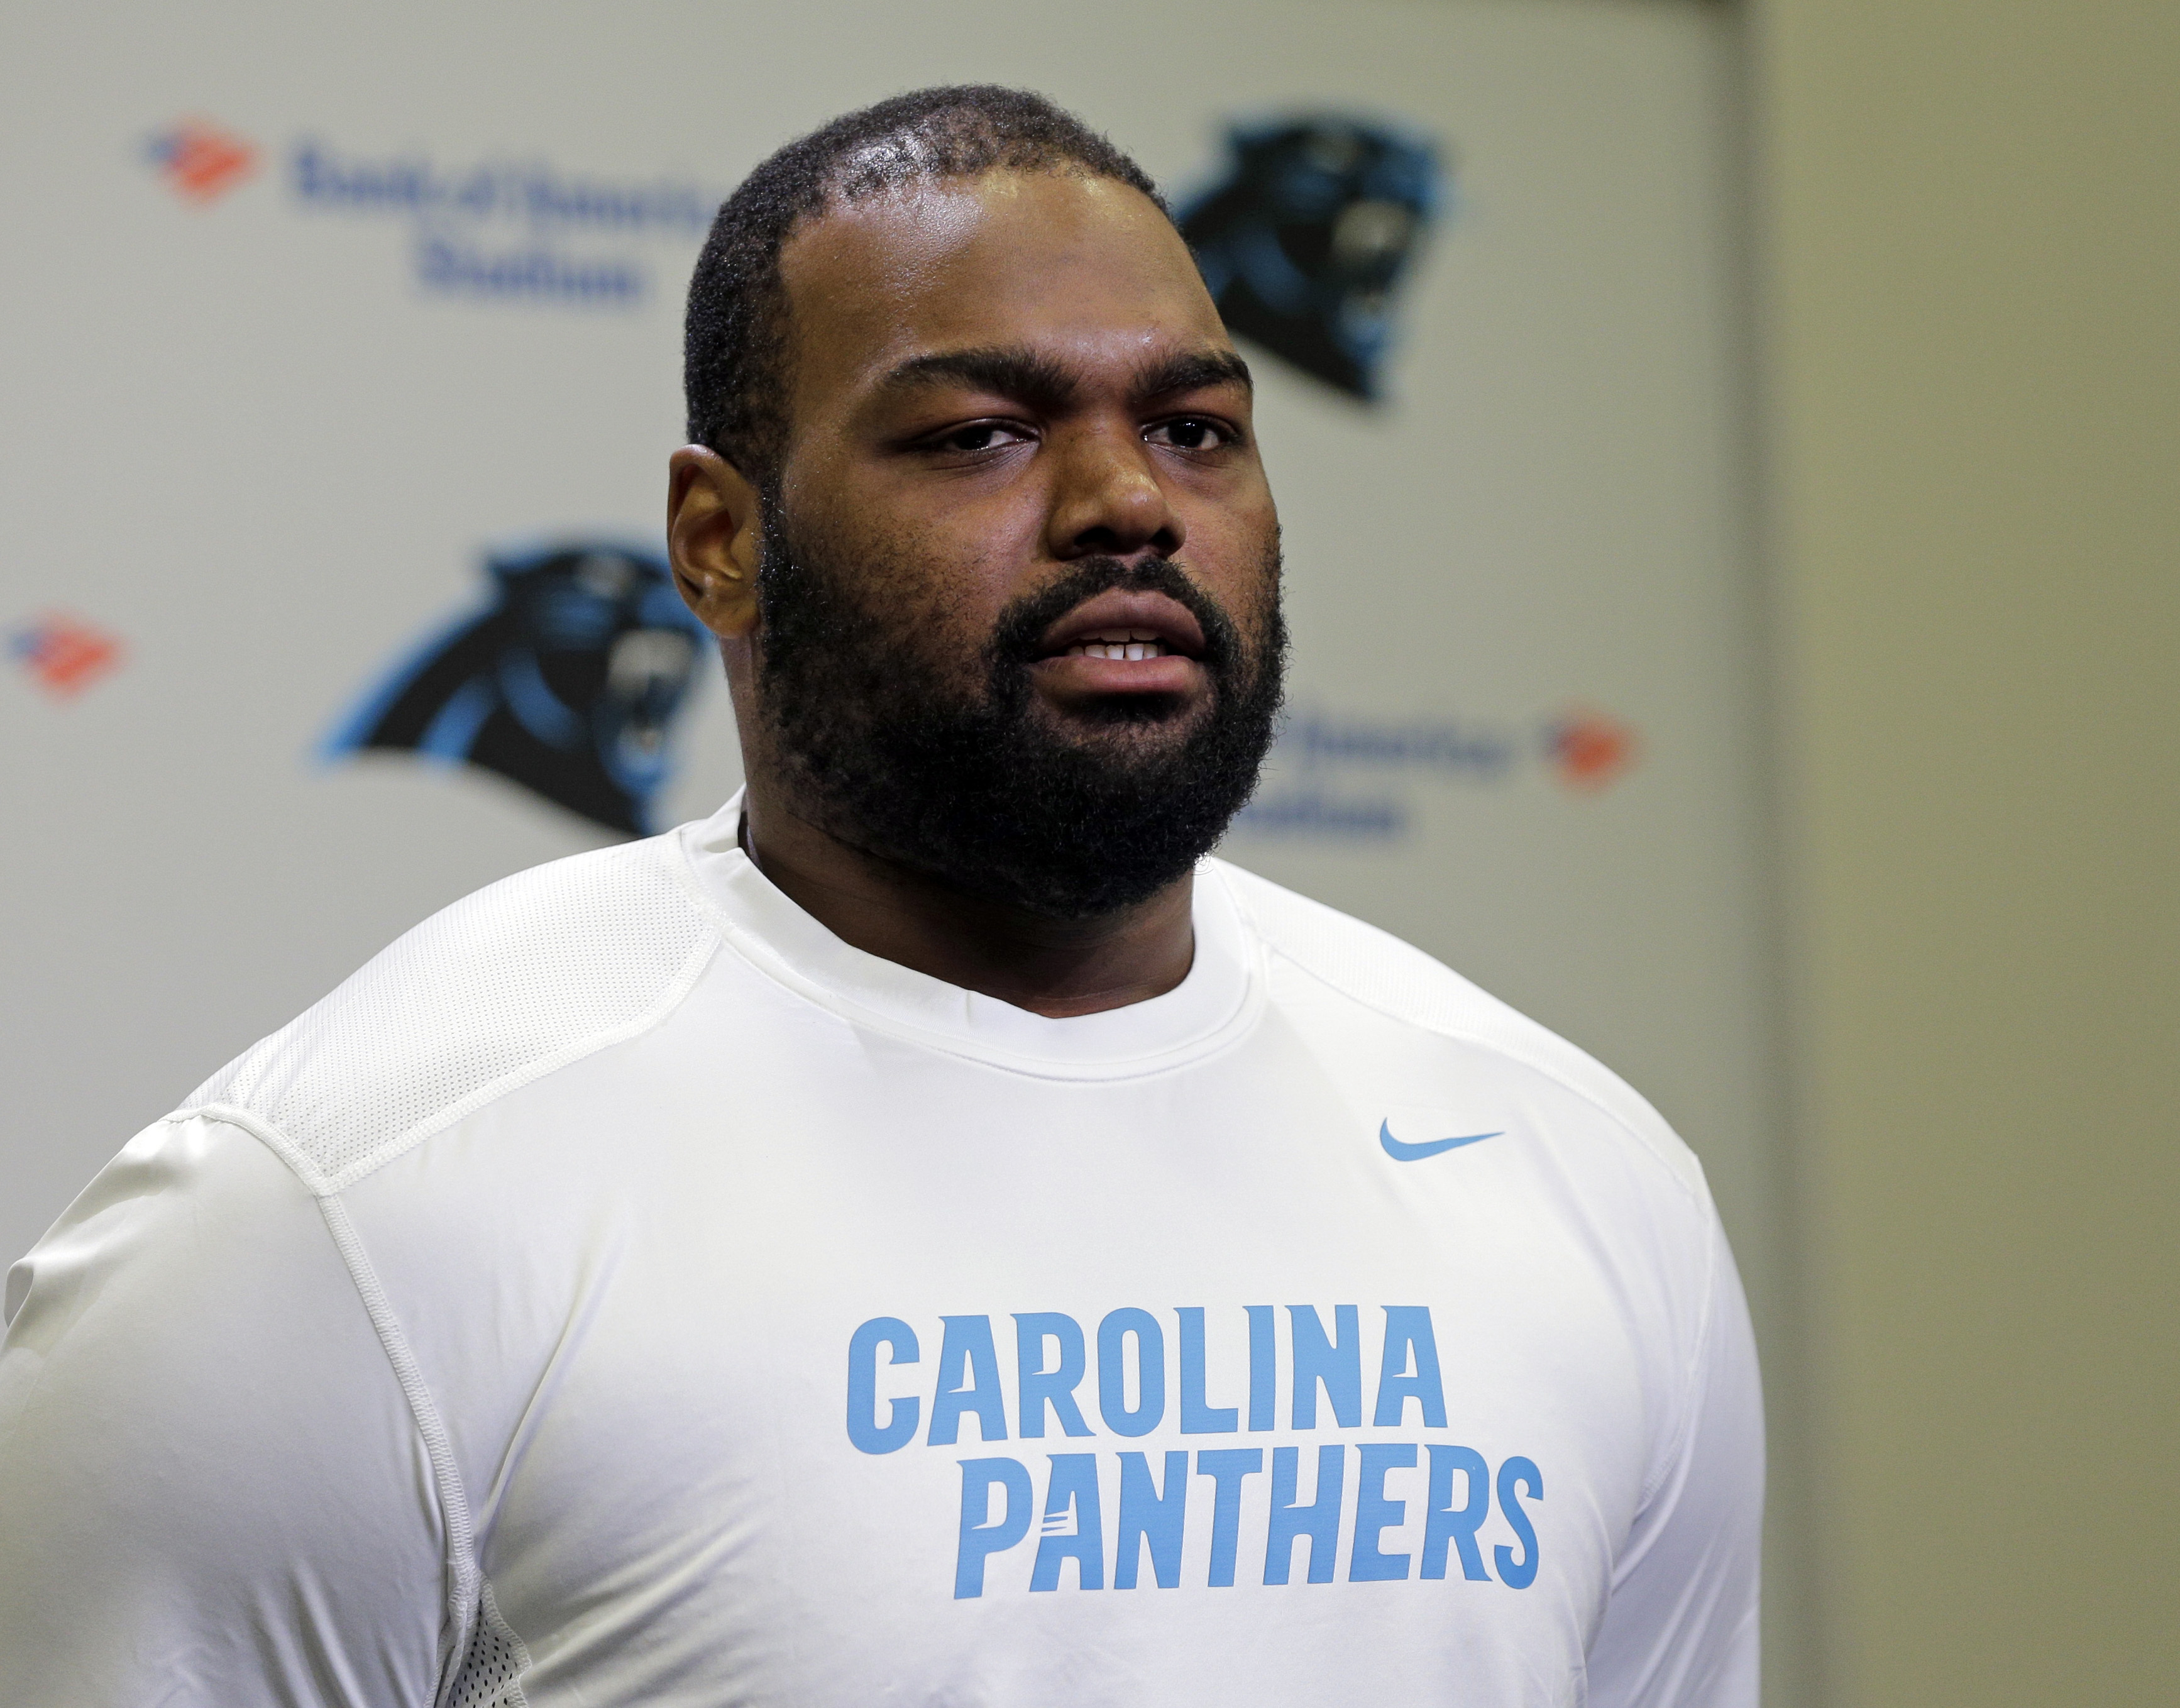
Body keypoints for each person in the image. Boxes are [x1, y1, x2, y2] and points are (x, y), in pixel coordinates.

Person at [0, 87, 1761, 1706]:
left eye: (1195, 427)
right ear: (717, 539)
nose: (1123, 503)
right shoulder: (346, 1220)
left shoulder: (1574, 1168)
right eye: (985, 433)